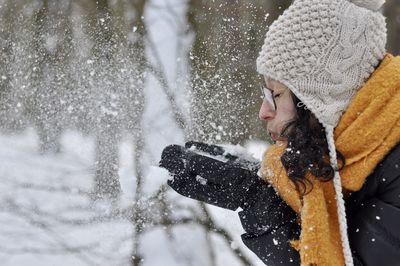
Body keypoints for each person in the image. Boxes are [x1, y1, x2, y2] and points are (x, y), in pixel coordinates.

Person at [159, 0, 400, 265]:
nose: (263, 112)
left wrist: (262, 209)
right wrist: (266, 199)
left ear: (324, 98)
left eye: (276, 94)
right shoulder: (344, 163)